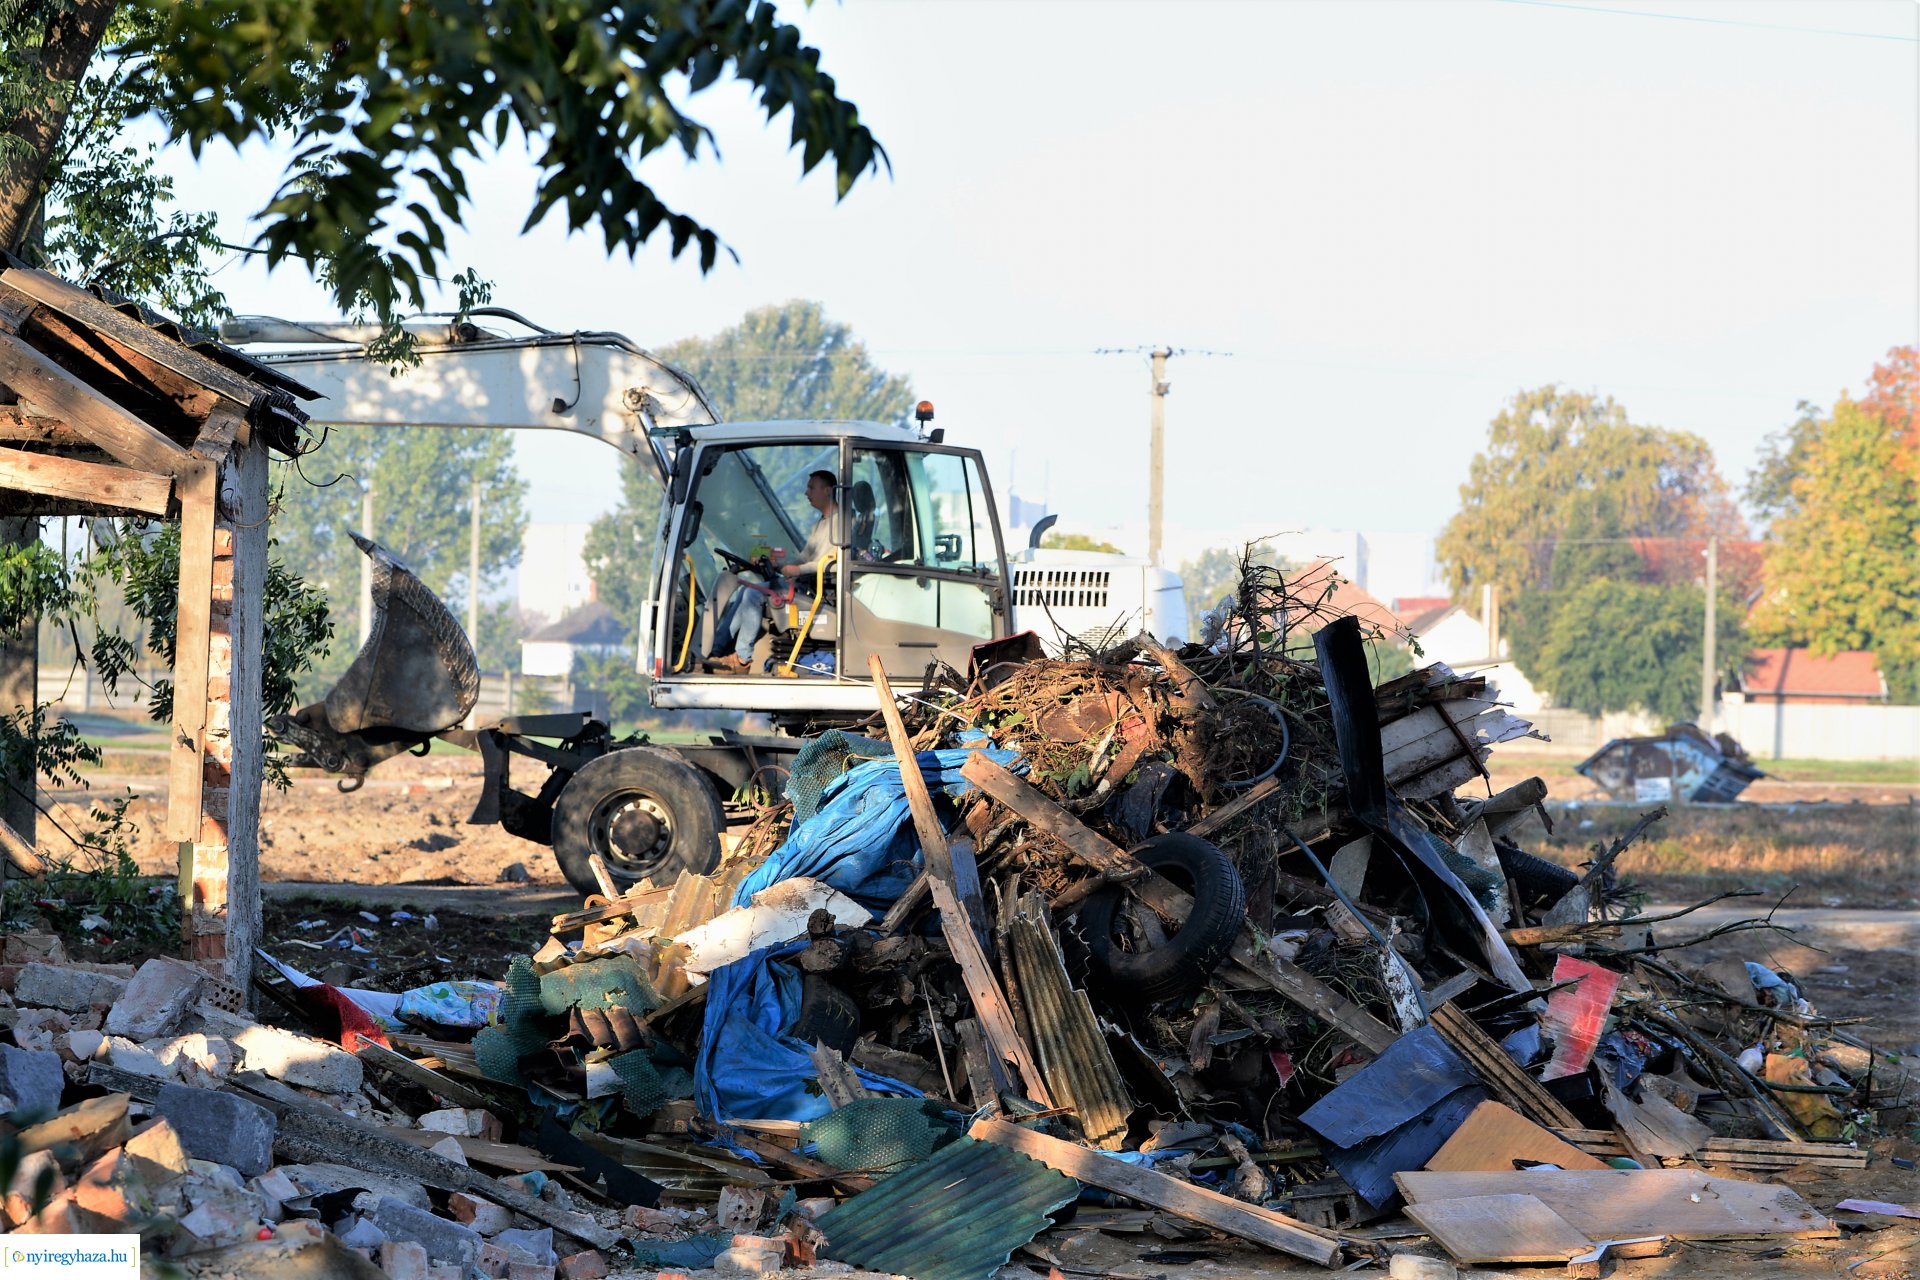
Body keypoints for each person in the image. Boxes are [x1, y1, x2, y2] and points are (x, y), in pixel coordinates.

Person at [706, 470, 837, 673]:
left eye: (811, 487)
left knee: (753, 593)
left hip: (815, 588)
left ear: (827, 491)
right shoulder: (821, 523)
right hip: (804, 581)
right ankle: (714, 650)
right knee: (743, 591)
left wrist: (796, 569)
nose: (806, 492)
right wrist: (779, 564)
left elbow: (827, 564)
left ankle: (743, 658)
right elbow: (805, 557)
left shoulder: (839, 524)